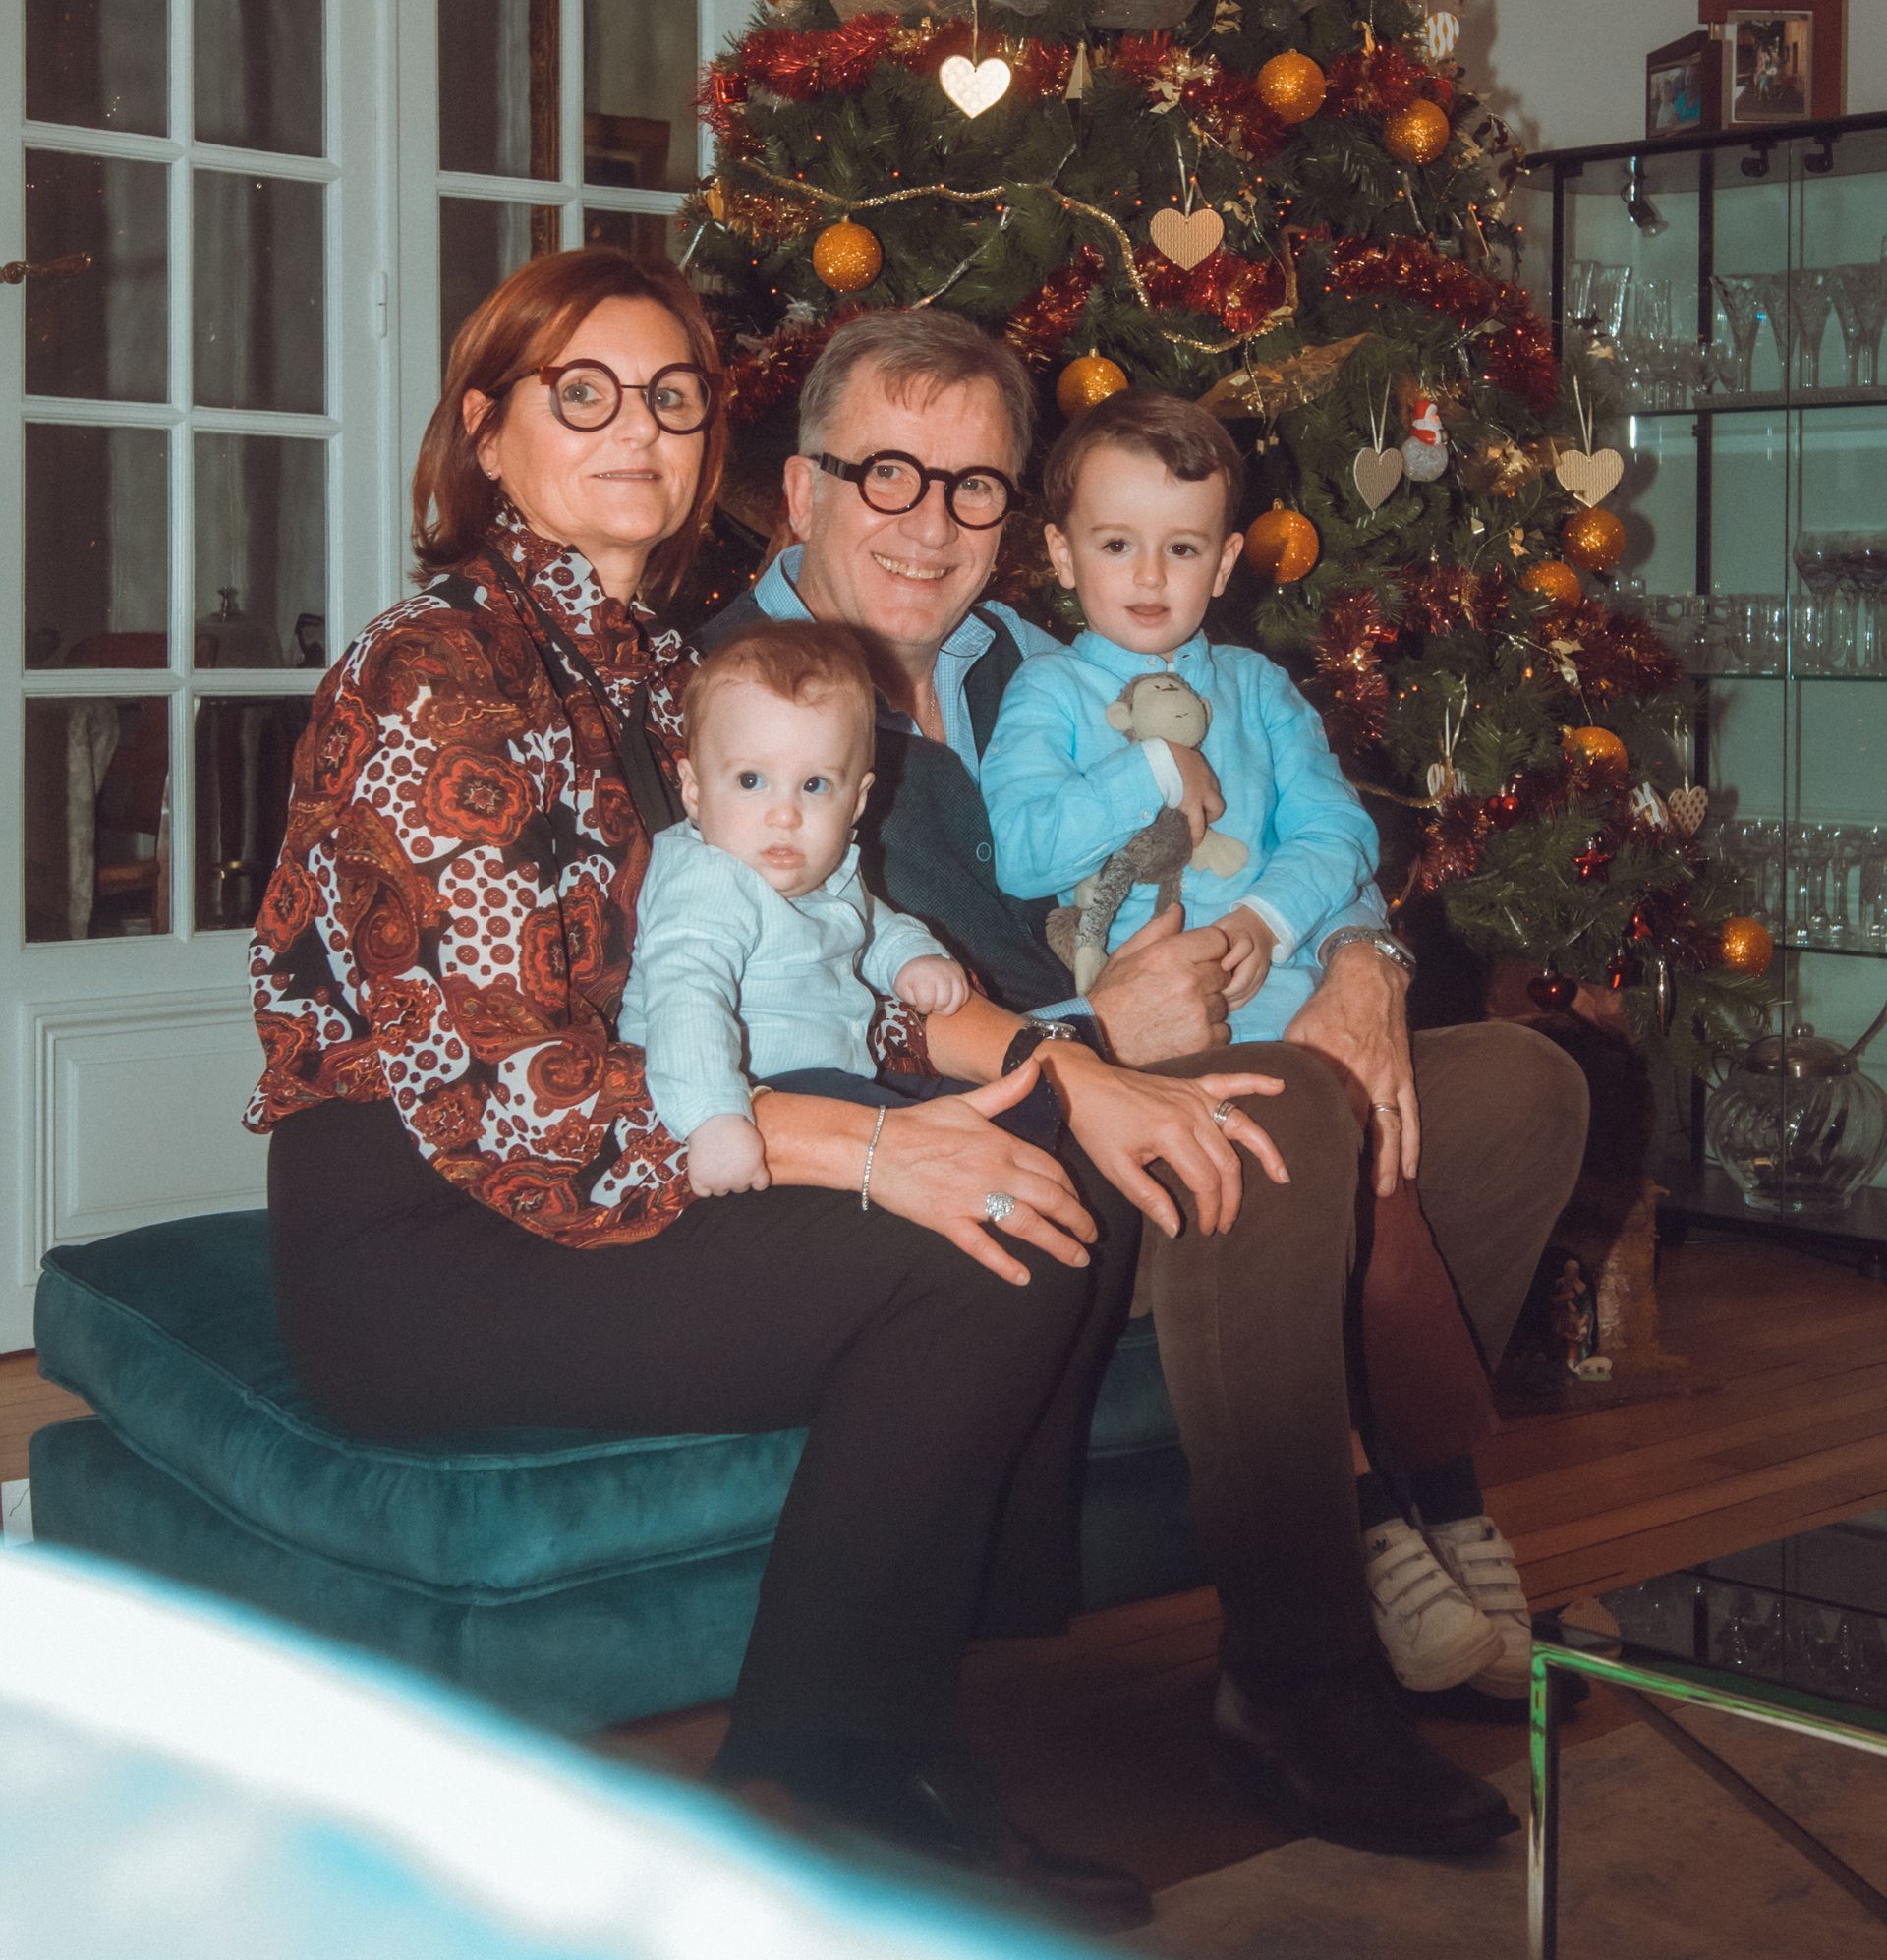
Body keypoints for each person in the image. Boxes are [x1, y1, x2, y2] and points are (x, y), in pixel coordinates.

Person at [245, 247, 1280, 1935]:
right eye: (581, 395)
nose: (636, 430)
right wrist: (876, 1156)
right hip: (426, 1232)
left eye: (668, 398)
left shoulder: (668, 677)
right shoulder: (439, 668)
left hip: (623, 1153)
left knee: (1033, 1169)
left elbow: (823, 956)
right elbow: (530, 1090)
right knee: (969, 1229)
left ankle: (850, 1728)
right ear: (487, 435)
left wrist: (1054, 1068)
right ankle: (840, 1761)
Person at [704, 307, 1592, 1856]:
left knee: (1521, 1090)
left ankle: (1404, 1520)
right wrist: (1097, 1038)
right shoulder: (742, 704)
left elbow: (1278, 816)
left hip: (1200, 1044)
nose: (931, 523)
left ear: (1022, 526)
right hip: (966, 1139)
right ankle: (1304, 1672)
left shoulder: (1046, 660)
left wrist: (1370, 967)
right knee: (1282, 1118)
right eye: (886, 476)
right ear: (800, 492)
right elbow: (828, 1002)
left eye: (974, 485)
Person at [981, 390, 1524, 1701]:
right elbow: (1023, 846)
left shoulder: (1262, 687)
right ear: (1060, 555)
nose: (1151, 576)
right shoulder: (1048, 698)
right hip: (1163, 1055)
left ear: (1228, 560)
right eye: (1117, 545)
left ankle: (1444, 1496)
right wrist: (1159, 771)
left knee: (1408, 1162)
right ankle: (1378, 1528)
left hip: (1297, 1019)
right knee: (1307, 1143)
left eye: (1184, 547)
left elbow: (1340, 836)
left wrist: (1280, 922)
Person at [618, 621, 971, 1197]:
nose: (785, 814)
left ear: (856, 800)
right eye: (751, 780)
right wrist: (713, 1118)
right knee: (957, 1147)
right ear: (694, 789)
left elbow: (870, 923)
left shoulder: (823, 870)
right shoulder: (709, 881)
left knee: (969, 1118)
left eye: (814, 786)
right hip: (756, 1091)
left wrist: (912, 957)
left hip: (835, 1079)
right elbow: (687, 995)